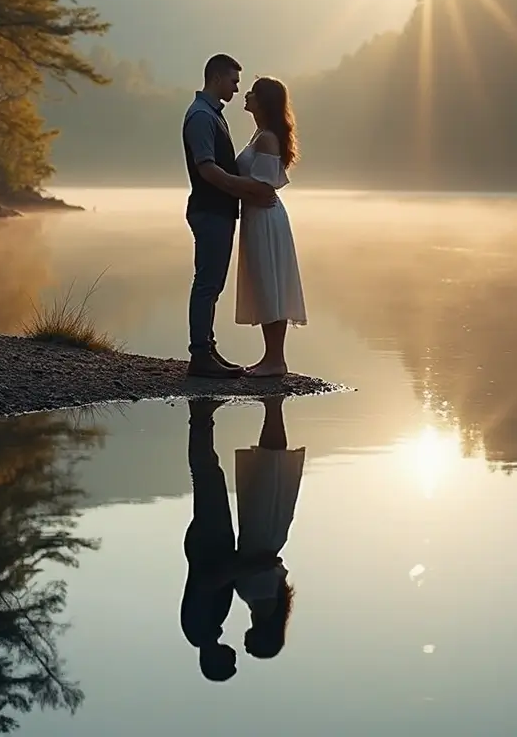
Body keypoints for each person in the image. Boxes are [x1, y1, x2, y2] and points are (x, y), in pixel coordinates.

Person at [183, 53, 275, 379]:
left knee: (212, 284)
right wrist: (245, 190)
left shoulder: (212, 115)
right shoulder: (201, 117)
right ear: (218, 78)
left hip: (218, 211)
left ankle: (207, 349)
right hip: (210, 211)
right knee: (207, 284)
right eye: (234, 82)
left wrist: (241, 193)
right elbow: (207, 169)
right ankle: (200, 355)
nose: (237, 89)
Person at [180, 398, 282, 681]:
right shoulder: (208, 629)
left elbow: (209, 580)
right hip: (210, 545)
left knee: (207, 474)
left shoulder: (200, 631)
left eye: (230, 665)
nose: (235, 658)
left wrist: (252, 567)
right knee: (210, 474)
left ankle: (200, 414)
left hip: (208, 545)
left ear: (215, 662)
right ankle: (202, 415)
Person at [235, 76, 307, 377]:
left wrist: (218, 180)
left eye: (253, 92)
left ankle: (275, 361)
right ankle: (271, 358)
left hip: (265, 218)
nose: (246, 95)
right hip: (257, 217)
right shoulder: (260, 134)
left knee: (270, 283)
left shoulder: (266, 138)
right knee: (266, 282)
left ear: (263, 102)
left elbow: (262, 187)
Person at [234, 395, 304, 660]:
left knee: (272, 472)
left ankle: (273, 408)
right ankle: (273, 406)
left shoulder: (270, 606)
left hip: (269, 536)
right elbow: (260, 566)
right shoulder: (261, 603)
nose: (246, 644)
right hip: (260, 536)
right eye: (253, 645)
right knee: (269, 470)